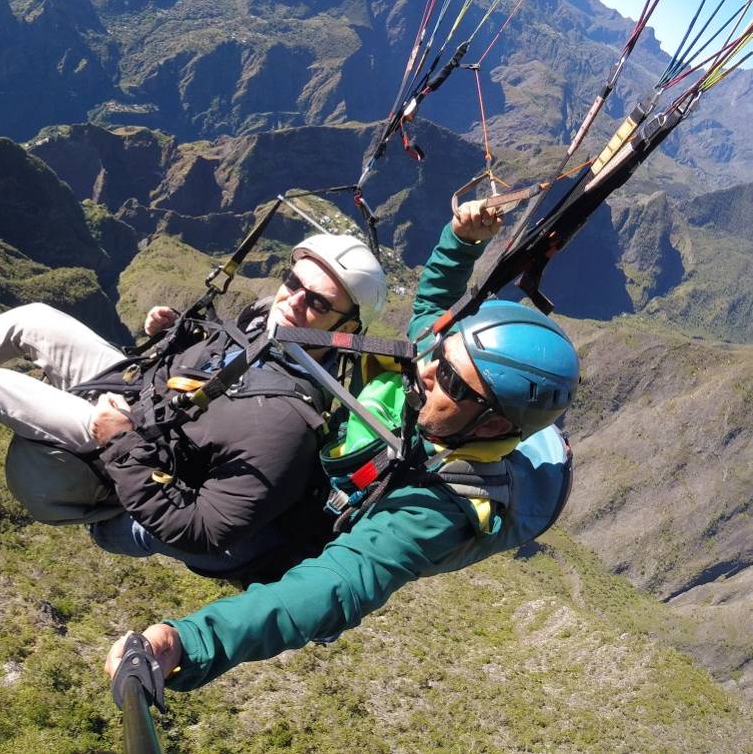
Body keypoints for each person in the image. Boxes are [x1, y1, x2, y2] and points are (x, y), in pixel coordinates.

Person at [104, 199, 580, 688]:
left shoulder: (435, 510)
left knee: (139, 534)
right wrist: (462, 240)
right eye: (441, 353)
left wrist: (189, 643)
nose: (429, 368)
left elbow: (337, 584)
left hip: (315, 533)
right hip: (340, 474)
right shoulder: (432, 369)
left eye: (454, 383)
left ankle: (120, 526)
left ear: (490, 428)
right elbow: (434, 307)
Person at [0, 234, 388, 576]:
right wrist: (181, 330)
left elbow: (208, 528)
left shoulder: (291, 413)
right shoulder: (267, 323)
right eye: (292, 281)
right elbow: (221, 372)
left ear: (347, 324)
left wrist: (119, 441)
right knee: (38, 319)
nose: (294, 301)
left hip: (133, 444)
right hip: (141, 394)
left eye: (317, 302)